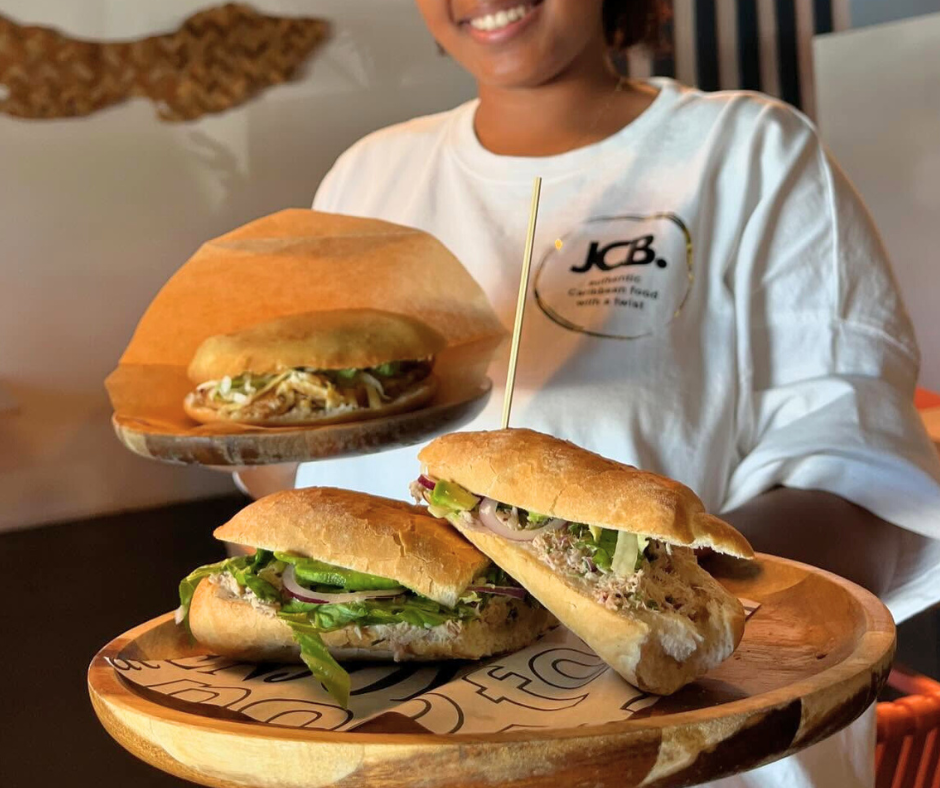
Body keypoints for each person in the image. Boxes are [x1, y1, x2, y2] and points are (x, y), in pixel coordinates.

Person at [249, 2, 940, 785]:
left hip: (695, 752)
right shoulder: (369, 175)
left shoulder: (749, 150)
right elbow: (301, 479)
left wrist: (627, 586)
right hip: (396, 741)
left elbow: (861, 486)